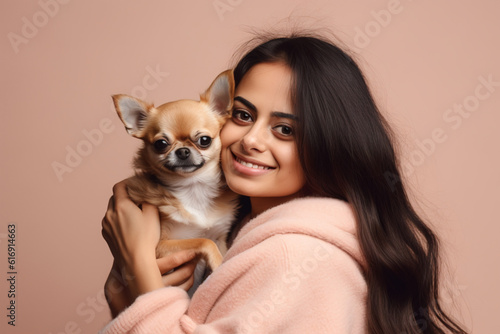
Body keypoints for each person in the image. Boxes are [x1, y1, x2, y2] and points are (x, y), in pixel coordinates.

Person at [100, 34, 467, 333]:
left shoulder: (295, 257)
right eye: (242, 115)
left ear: (329, 145)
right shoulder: (252, 233)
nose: (251, 140)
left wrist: (140, 277)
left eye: (285, 129)